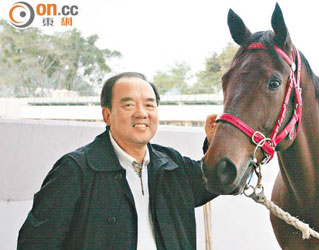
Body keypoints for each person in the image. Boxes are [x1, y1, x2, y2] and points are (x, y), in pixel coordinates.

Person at [17, 72, 218, 250]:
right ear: (107, 115)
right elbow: (36, 242)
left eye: (149, 105)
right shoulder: (75, 170)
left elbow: (217, 178)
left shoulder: (173, 165)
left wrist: (217, 142)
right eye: (129, 105)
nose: (141, 113)